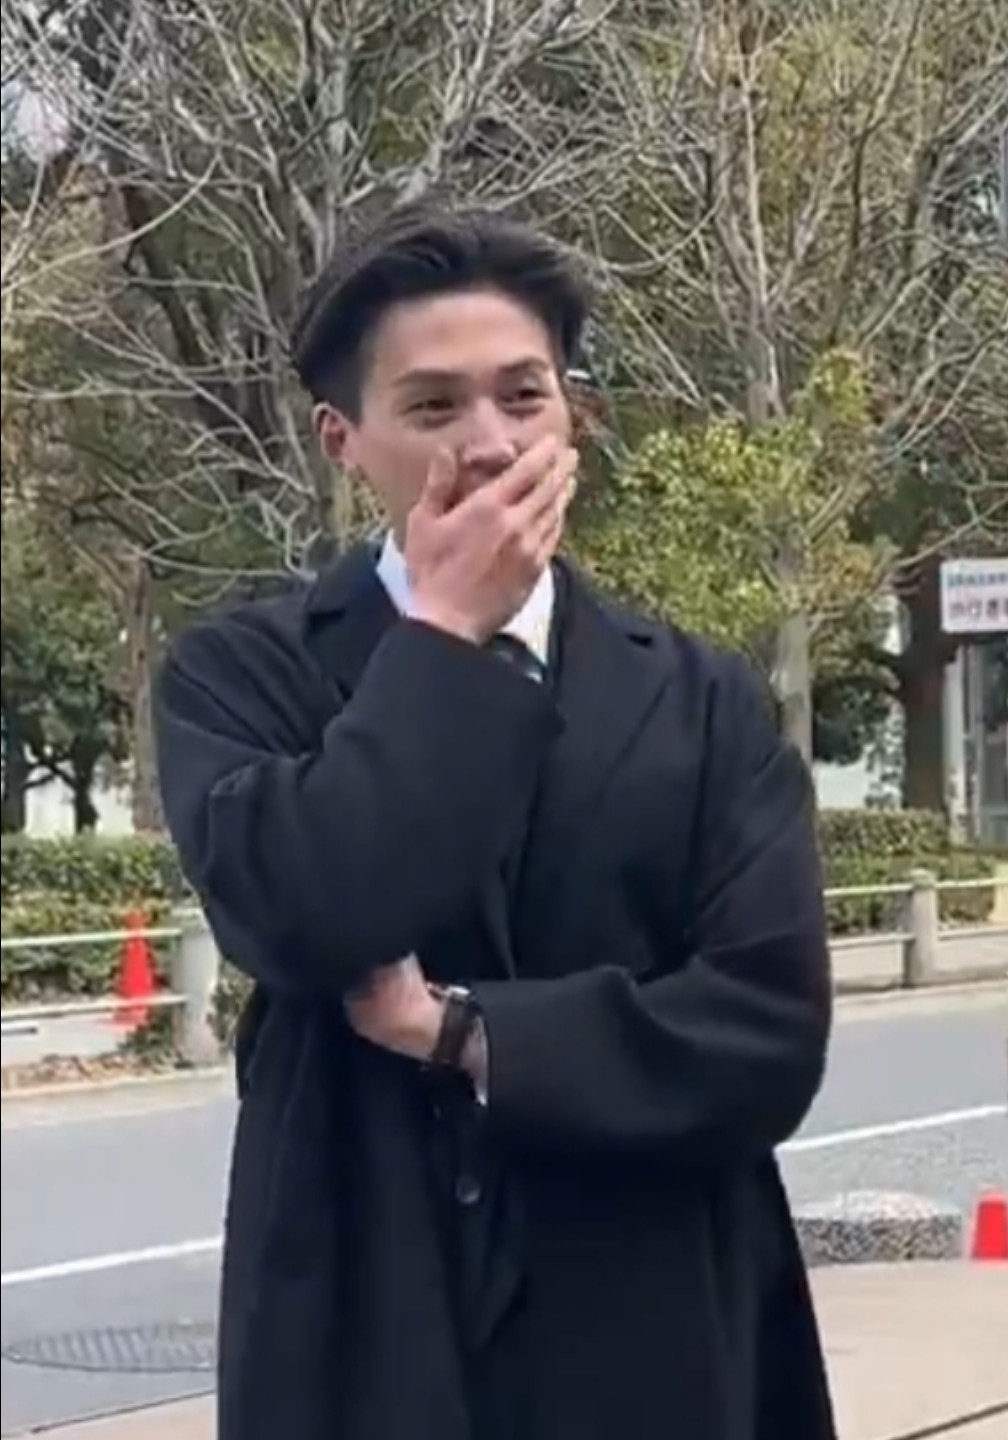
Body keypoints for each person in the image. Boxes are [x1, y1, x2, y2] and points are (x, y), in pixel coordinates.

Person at [155, 204, 839, 1440]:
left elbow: (765, 1030)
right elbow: (307, 910)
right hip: (367, 1314)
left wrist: (467, 1033)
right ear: (342, 440)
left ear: (573, 414)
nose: (489, 444)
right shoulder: (243, 675)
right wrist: (443, 636)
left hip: (656, 1324)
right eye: (432, 407)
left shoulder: (700, 699)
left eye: (525, 397)